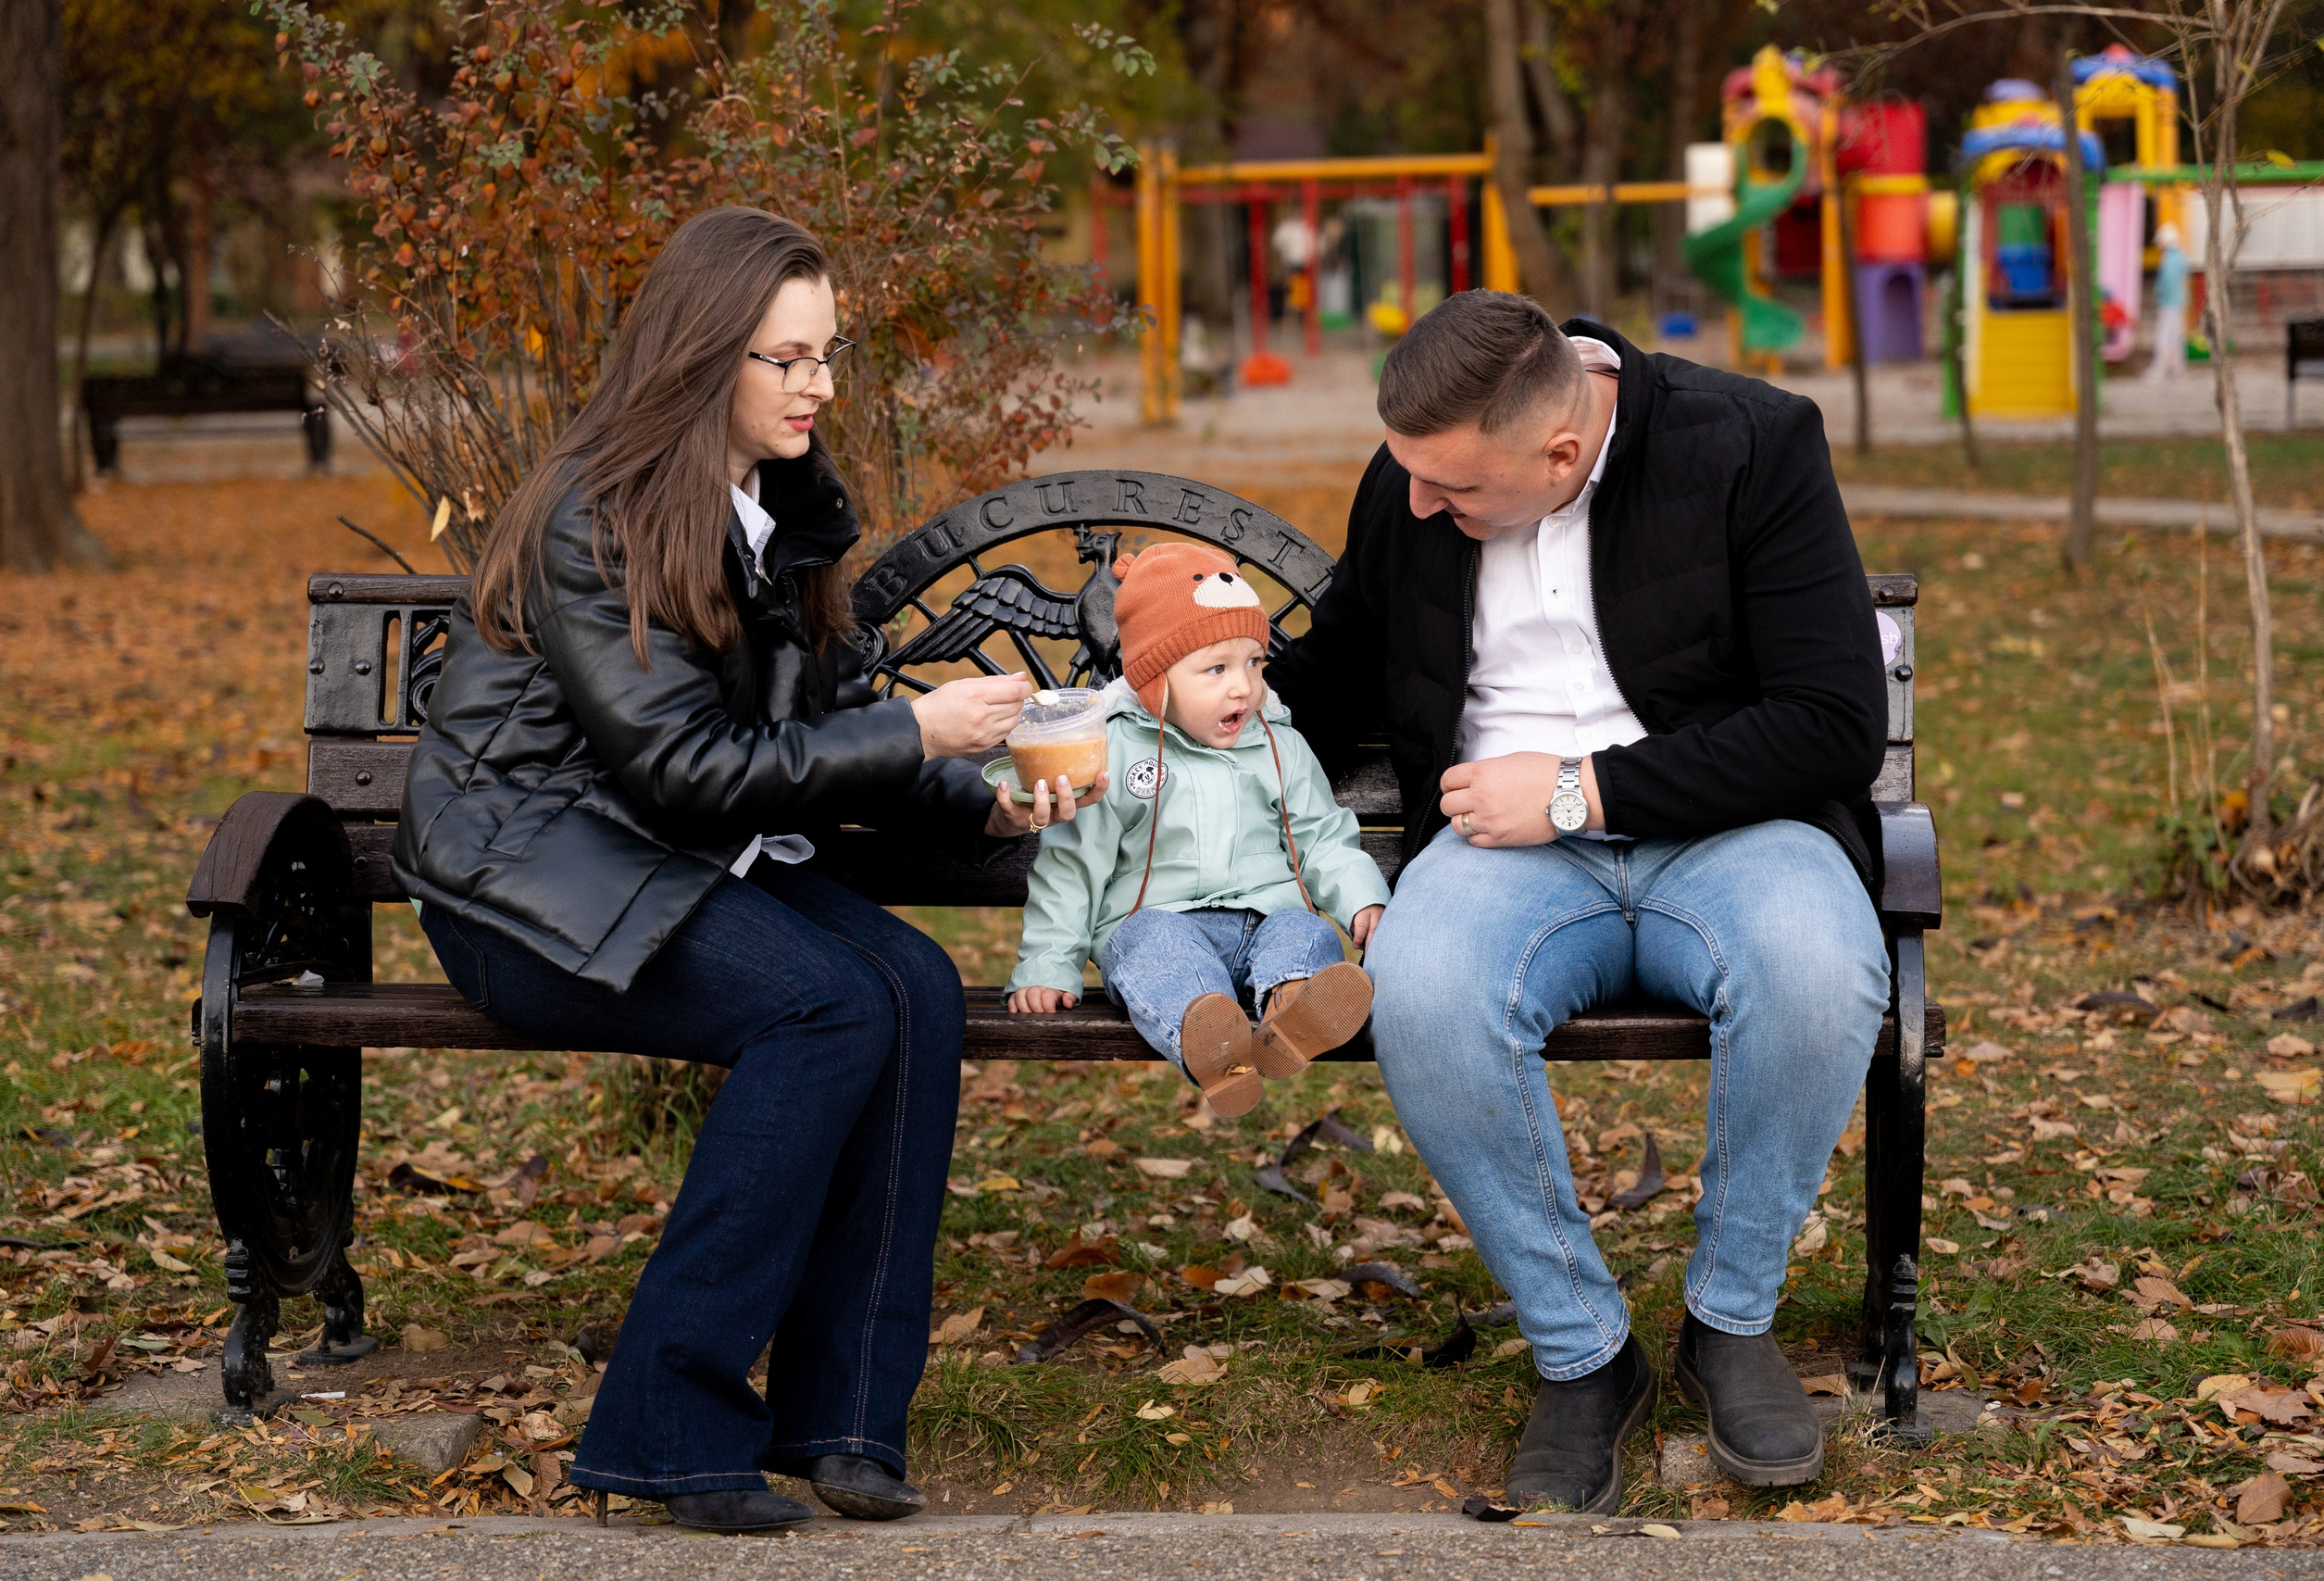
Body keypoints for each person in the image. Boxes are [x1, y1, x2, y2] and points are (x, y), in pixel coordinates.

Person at [392, 207, 1105, 1535]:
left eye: (827, 356)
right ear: (703, 350)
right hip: (528, 884)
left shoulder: (780, 507)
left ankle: (843, 1421)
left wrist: (981, 804)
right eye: (788, 357)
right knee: (826, 1003)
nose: (818, 386)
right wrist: (914, 725)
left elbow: (803, 733)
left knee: (911, 985)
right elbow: (684, 767)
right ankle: (667, 1424)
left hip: (666, 860)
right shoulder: (589, 517)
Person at [1266, 291, 1891, 1513]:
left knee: (1820, 966)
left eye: (1454, 492)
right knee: (1426, 990)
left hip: (1731, 832)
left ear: (1562, 451)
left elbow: (1831, 723)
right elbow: (1327, 674)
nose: (1419, 508)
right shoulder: (1421, 474)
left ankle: (1730, 1320)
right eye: (1413, 479)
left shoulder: (1752, 444)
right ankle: (1585, 1353)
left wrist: (1576, 790)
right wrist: (1166, 725)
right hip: (1502, 859)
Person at [1006, 542, 1391, 1117]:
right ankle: (1211, 1040)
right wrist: (1048, 962)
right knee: (1151, 951)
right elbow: (1072, 864)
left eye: (1254, 663)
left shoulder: (1278, 743)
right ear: (1155, 680)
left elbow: (1321, 836)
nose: (1243, 687)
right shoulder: (1112, 750)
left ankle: (1293, 1009)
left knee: (1305, 933)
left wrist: (1360, 899)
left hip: (1263, 921)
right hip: (1159, 921)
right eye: (1216, 669)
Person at [2144, 221, 2189, 383]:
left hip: (2169, 303)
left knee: (2164, 336)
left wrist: (2160, 294)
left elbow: (2167, 281)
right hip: (2177, 302)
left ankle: (2161, 368)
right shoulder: (2179, 256)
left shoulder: (2170, 258)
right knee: (2176, 336)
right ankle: (2175, 367)